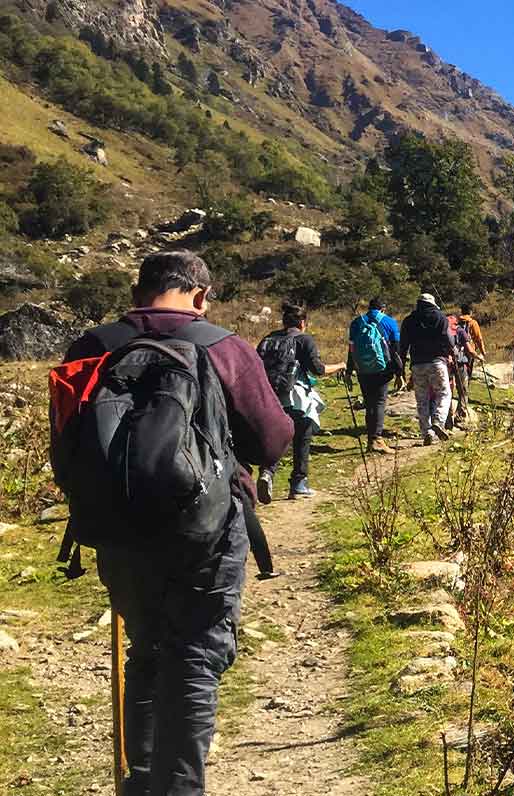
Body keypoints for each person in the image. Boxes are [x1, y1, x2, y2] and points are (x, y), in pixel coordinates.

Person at [57, 251, 292, 794]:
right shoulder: (223, 347)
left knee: (146, 647)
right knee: (195, 656)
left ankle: (140, 783)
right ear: (201, 296)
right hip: (207, 531)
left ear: (137, 293)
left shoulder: (91, 347)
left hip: (118, 528)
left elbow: (67, 452)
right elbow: (272, 441)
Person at [256, 303, 324, 502]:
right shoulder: (304, 339)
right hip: (295, 397)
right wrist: (340, 366)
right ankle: (298, 483)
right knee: (303, 435)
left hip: (269, 395)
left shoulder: (268, 339)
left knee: (278, 436)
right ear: (302, 322)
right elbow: (317, 369)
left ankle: (267, 471)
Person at [401, 293, 456, 445]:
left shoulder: (409, 320)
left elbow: (403, 345)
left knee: (422, 400)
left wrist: (401, 369)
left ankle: (427, 432)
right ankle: (438, 421)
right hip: (437, 362)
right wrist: (451, 351)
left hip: (417, 364)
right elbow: (449, 340)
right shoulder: (440, 317)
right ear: (433, 304)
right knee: (444, 393)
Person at [348, 298, 401, 455]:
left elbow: (351, 348)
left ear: (369, 308)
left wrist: (349, 370)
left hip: (362, 369)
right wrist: (399, 373)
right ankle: (376, 438)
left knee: (369, 402)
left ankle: (371, 440)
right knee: (379, 402)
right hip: (382, 369)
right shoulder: (390, 322)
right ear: (383, 309)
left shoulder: (356, 322)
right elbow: (396, 350)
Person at [445, 310, 473, 429]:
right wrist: (477, 356)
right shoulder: (460, 331)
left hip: (446, 364)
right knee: (463, 390)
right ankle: (460, 416)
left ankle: (448, 418)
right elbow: (469, 349)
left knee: (447, 391)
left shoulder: (442, 331)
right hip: (461, 363)